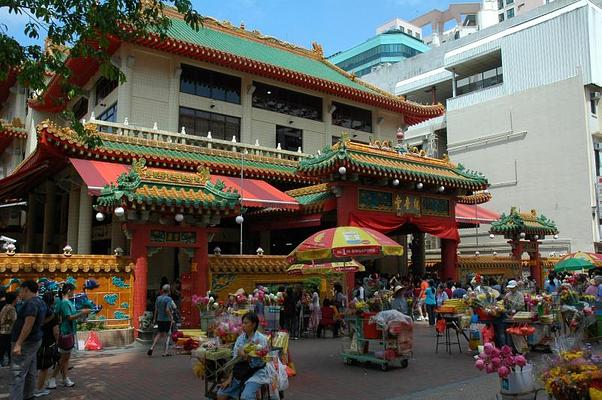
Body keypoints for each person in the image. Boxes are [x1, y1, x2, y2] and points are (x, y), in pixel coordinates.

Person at [217, 312, 271, 400]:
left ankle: (246, 390)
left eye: (246, 323)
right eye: (243, 323)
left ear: (253, 325)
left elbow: (260, 362)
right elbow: (235, 361)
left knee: (246, 397)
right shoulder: (240, 339)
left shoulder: (261, 339)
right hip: (241, 372)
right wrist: (230, 378)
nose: (243, 325)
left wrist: (246, 357)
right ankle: (239, 389)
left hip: (256, 372)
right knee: (221, 394)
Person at [9, 280, 47, 400]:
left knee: (18, 372)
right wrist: (38, 326)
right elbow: (50, 315)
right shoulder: (41, 302)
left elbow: (28, 324)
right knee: (30, 371)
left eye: (20, 289)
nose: (20, 292)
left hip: (26, 342)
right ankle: (28, 395)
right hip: (34, 340)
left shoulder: (31, 303)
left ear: (26, 289)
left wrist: (19, 343)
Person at [48, 283, 89, 389]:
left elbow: (71, 317)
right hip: (65, 332)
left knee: (65, 358)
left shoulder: (67, 302)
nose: (73, 293)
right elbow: (69, 317)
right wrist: (82, 313)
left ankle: (65, 379)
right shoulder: (65, 303)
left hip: (69, 332)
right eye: (73, 291)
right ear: (69, 290)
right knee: (62, 358)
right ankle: (53, 379)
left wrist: (81, 317)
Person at [35, 292, 59, 397]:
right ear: (52, 300)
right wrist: (57, 342)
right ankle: (39, 389)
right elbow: (56, 332)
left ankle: (36, 386)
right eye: (54, 297)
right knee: (44, 367)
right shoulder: (52, 314)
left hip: (37, 340)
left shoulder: (39, 311)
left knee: (36, 366)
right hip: (48, 342)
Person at [147, 284, 174, 357]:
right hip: (166, 319)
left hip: (159, 318)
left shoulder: (158, 298)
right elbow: (167, 309)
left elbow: (156, 309)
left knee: (159, 333)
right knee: (168, 335)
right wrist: (171, 317)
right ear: (168, 290)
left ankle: (151, 347)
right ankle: (165, 352)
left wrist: (154, 318)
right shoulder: (168, 299)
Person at [1, 292, 18, 368]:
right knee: (7, 348)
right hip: (7, 332)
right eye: (17, 298)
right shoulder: (11, 308)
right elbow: (15, 320)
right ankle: (11, 364)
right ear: (14, 300)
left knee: (3, 349)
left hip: (3, 331)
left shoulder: (5, 307)